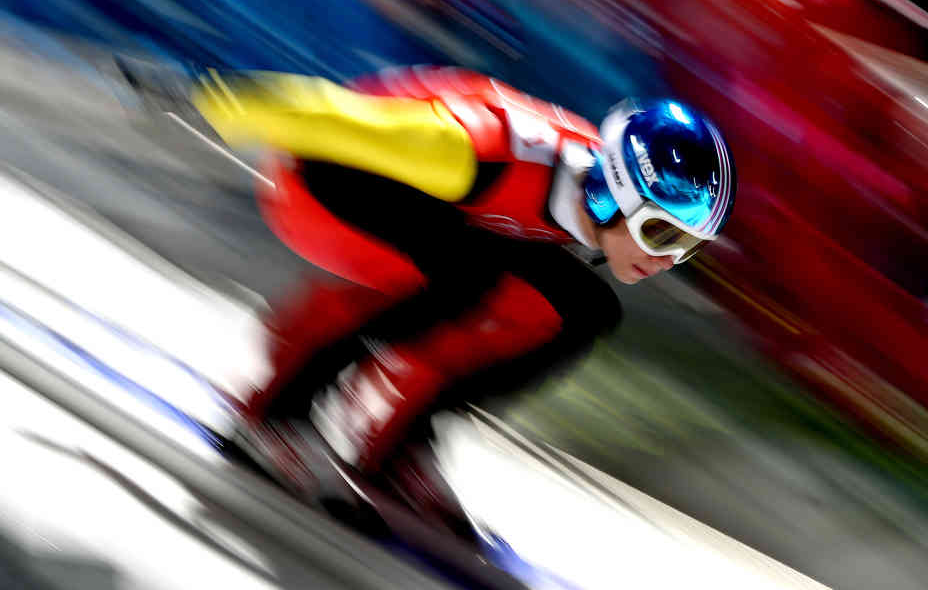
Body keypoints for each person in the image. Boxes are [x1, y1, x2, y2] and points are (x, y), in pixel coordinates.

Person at [193, 65, 736, 504]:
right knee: (465, 274)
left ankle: (401, 441)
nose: (668, 259)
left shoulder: (589, 192)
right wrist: (208, 95)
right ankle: (277, 411)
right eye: (660, 232)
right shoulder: (480, 156)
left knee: (582, 309)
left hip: (423, 212)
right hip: (317, 172)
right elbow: (336, 117)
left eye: (686, 246)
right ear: (614, 194)